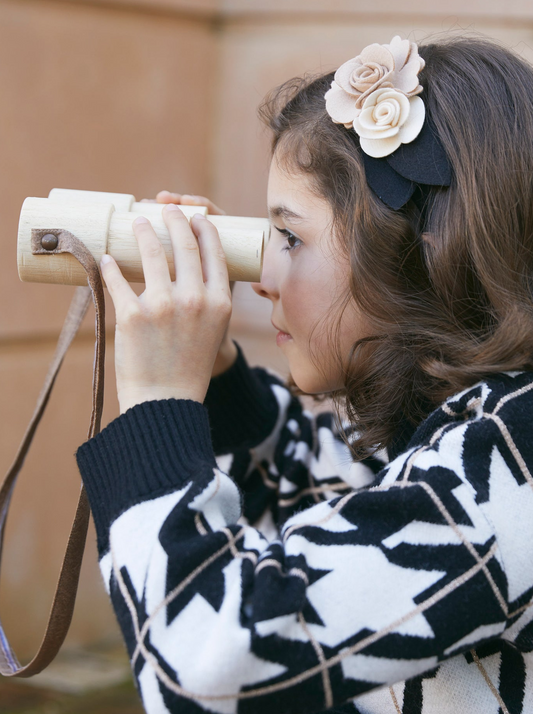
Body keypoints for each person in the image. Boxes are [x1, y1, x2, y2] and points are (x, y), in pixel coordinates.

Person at [76, 34, 533, 714]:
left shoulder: (509, 459)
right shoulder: (475, 417)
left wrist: (157, 405)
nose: (260, 278)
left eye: (288, 238)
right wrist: (217, 372)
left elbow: (211, 668)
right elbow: (334, 496)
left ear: (419, 255)